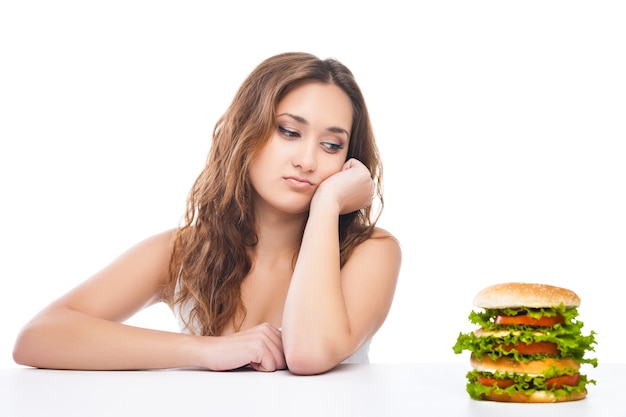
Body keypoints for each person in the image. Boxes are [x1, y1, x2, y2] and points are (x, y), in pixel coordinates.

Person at [12, 52, 402, 375]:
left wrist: (326, 206)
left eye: (331, 145)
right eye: (288, 131)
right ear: (247, 132)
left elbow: (309, 354)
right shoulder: (185, 250)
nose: (307, 160)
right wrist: (205, 351)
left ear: (350, 160)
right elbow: (39, 338)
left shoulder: (372, 252)